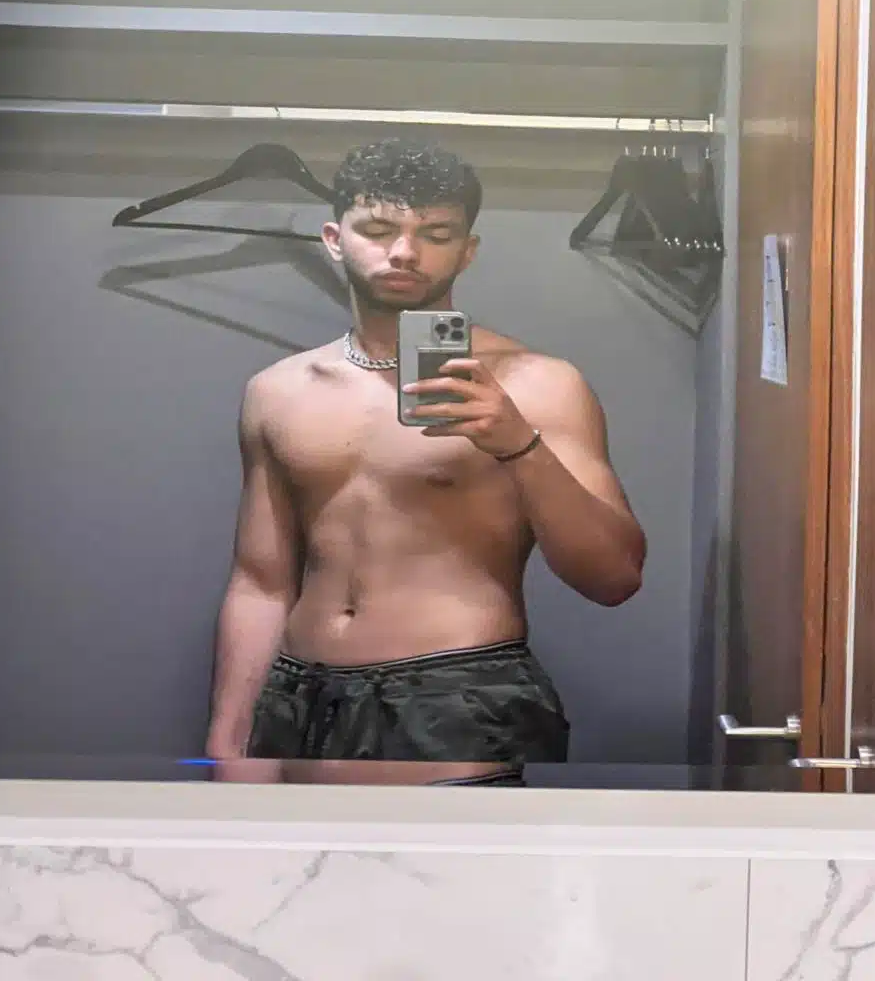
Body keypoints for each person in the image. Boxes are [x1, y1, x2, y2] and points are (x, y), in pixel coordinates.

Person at [205, 137, 646, 766]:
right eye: (378, 230)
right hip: (299, 696)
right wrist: (229, 737)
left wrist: (518, 445)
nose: (405, 252)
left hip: (458, 691)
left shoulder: (537, 384)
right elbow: (260, 583)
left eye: (435, 234)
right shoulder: (277, 391)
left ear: (467, 251)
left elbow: (614, 577)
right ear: (334, 239)